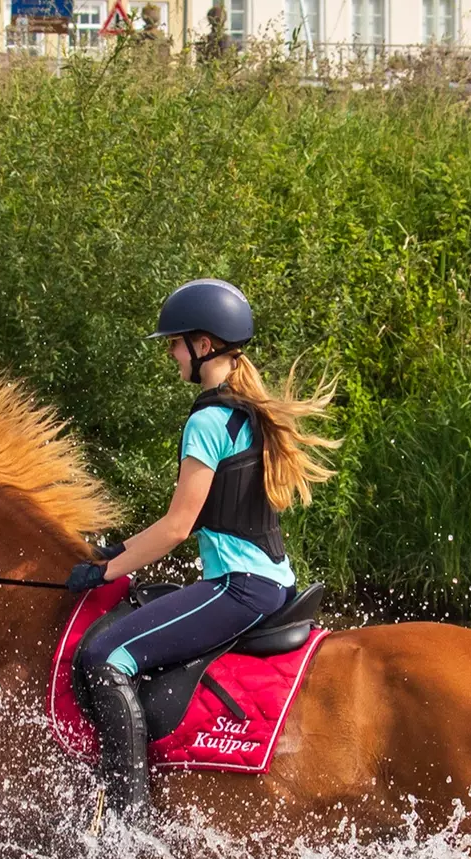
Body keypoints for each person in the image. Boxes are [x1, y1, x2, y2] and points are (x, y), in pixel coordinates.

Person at [66, 279, 336, 817]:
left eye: (175, 342)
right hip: (272, 583)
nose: (171, 353)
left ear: (203, 345)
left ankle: (127, 820)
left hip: (239, 588)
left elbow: (176, 527)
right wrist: (117, 551)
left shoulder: (207, 421)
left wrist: (104, 572)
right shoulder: (245, 411)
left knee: (103, 657)